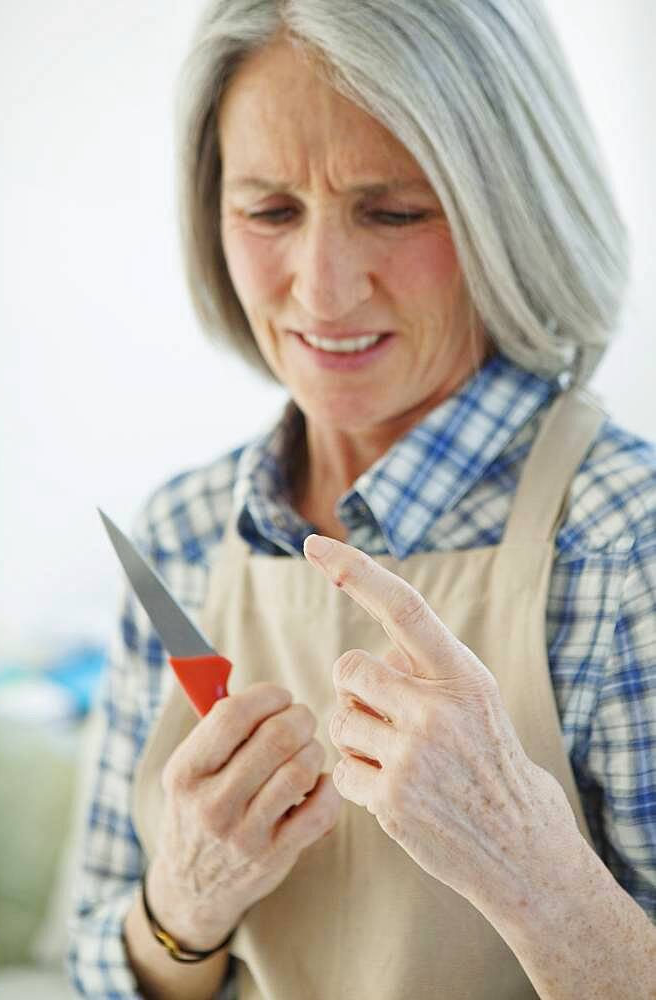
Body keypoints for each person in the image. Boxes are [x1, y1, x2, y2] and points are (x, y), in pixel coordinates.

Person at [68, 2, 656, 997]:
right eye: (269, 211)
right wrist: (184, 903)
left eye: (391, 211)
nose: (322, 291)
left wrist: (539, 881)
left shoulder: (621, 541)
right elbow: (89, 959)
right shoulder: (179, 534)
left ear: (509, 213)